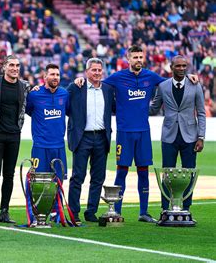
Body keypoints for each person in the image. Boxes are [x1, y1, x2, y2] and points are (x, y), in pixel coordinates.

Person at [74, 45, 198, 222]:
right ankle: (115, 210)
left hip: (143, 132)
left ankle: (144, 213)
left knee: (143, 171)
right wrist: (80, 80)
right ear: (128, 59)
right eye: (135, 57)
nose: (139, 60)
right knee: (121, 172)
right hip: (124, 132)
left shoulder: (151, 76)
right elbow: (96, 82)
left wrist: (188, 76)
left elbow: (172, 82)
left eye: (141, 57)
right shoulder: (117, 78)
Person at [149, 55, 205, 212]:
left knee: (189, 173)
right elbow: (153, 108)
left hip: (191, 137)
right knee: (167, 173)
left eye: (184, 66)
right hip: (169, 136)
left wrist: (201, 137)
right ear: (171, 67)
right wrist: (133, 104)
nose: (181, 69)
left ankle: (186, 208)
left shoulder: (195, 85)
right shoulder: (163, 86)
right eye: (178, 66)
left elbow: (201, 113)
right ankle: (165, 207)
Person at [66, 58, 114, 223]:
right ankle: (74, 212)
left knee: (98, 177)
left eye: (99, 70)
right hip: (82, 137)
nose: (97, 73)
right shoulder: (76, 87)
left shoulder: (107, 89)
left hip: (101, 137)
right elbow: (65, 107)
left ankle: (91, 211)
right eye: (94, 70)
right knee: (78, 176)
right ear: (86, 72)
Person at [0, 55, 29, 224]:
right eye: (11, 65)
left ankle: (4, 211)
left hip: (14, 135)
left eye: (17, 65)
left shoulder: (25, 86)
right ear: (4, 67)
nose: (15, 68)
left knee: (9, 175)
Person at [25, 63, 69, 226]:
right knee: (36, 182)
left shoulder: (64, 94)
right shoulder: (34, 95)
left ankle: (56, 213)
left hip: (59, 146)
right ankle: (36, 213)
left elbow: (69, 111)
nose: (55, 77)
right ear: (45, 77)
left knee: (58, 182)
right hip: (40, 146)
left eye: (57, 74)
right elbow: (29, 110)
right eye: (52, 74)